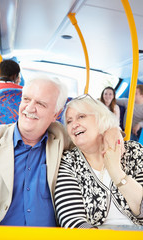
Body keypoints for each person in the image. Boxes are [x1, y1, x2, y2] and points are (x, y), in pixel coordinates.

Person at [0, 75, 124, 227]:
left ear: (55, 115)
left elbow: (96, 135)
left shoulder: (62, 136)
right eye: (26, 99)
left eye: (41, 104)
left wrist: (113, 130)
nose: (30, 108)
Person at [54, 94, 143, 229]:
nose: (74, 125)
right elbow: (72, 221)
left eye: (81, 116)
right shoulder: (68, 161)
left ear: (101, 119)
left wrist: (116, 172)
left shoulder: (134, 151)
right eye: (69, 121)